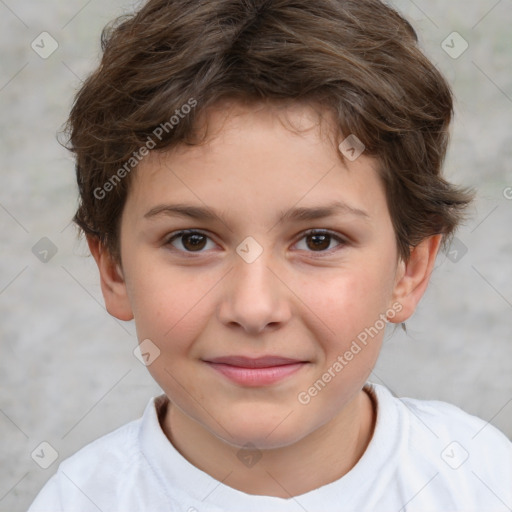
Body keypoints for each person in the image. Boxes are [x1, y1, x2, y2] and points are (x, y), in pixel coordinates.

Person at [28, 0, 512, 510]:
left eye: (319, 240)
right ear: (113, 269)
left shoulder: (483, 480)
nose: (254, 309)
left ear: (409, 271)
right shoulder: (79, 499)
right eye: (192, 240)